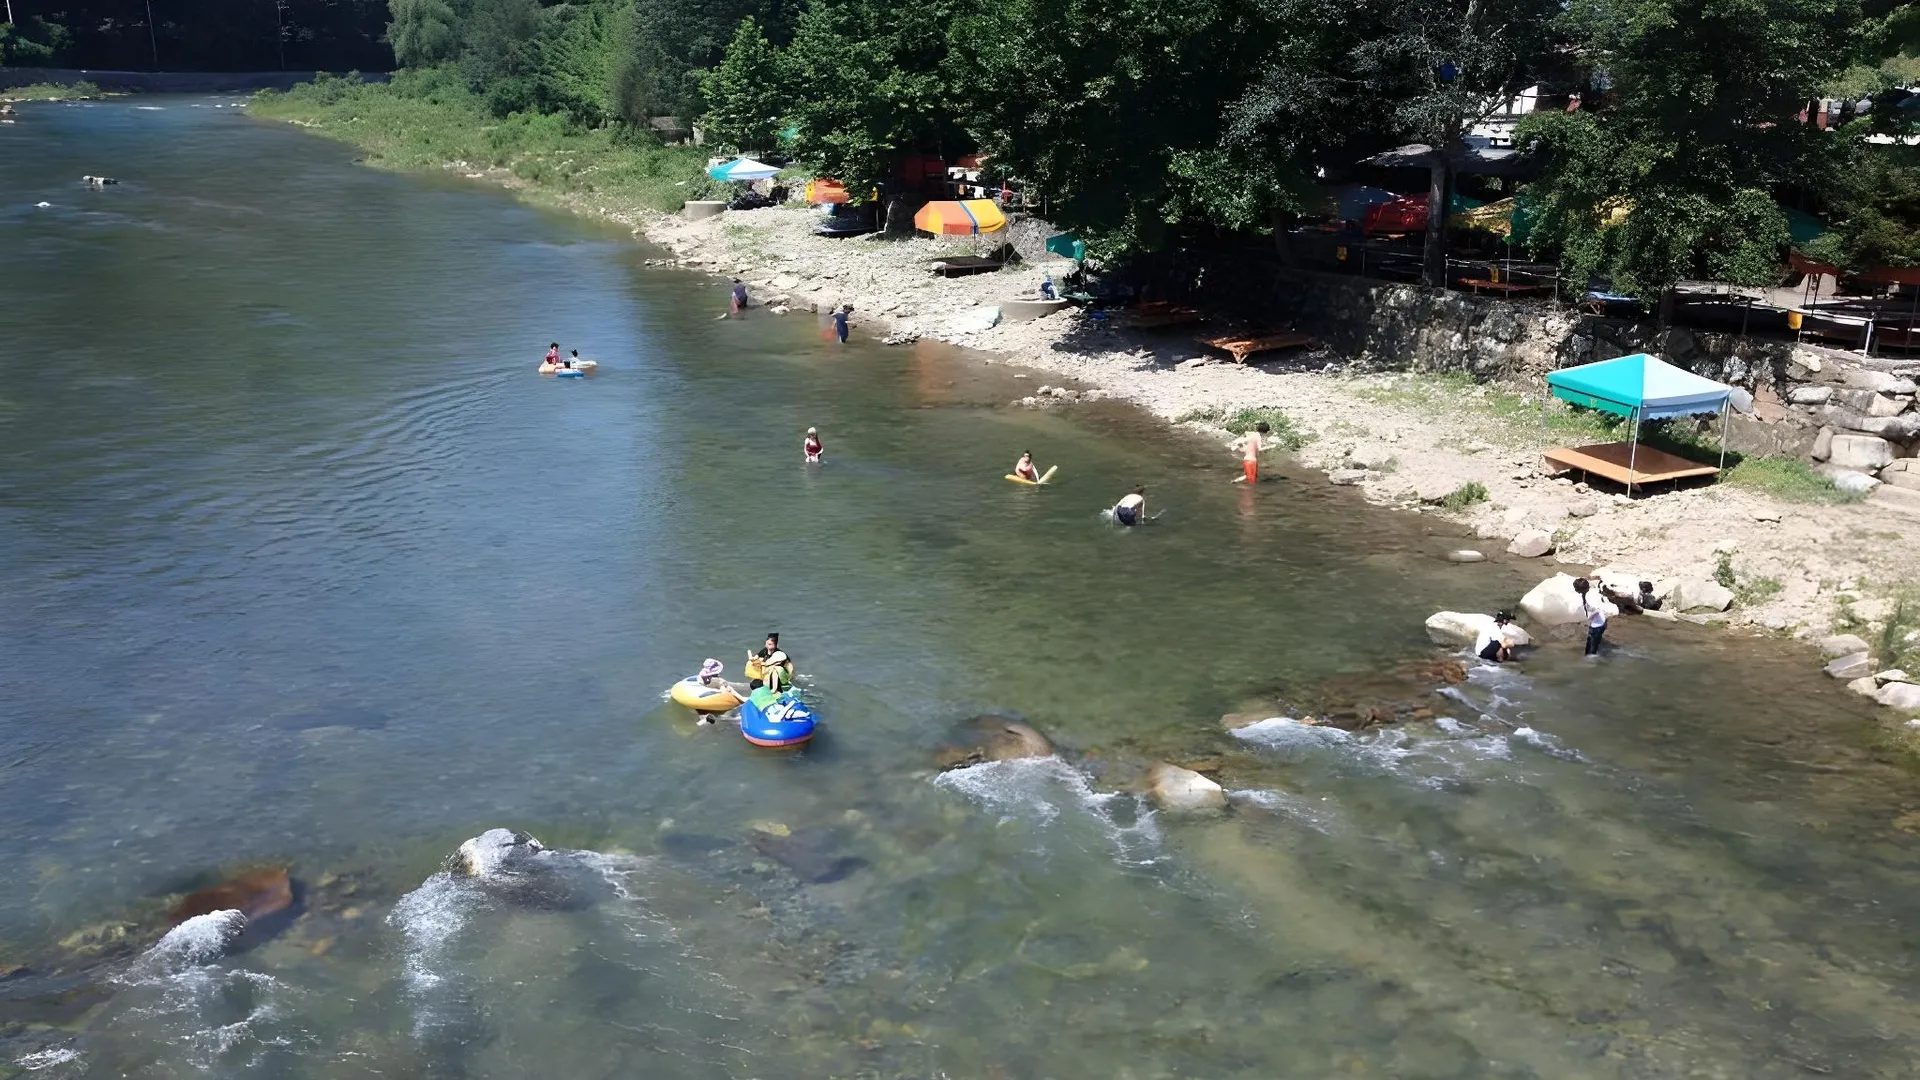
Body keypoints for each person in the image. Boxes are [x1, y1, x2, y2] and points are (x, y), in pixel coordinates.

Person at [1574, 577, 1607, 656]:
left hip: (1597, 625)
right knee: (1592, 645)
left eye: (1576, 589)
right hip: (1600, 622)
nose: (1575, 591)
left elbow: (1595, 609)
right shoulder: (1589, 593)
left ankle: (1591, 663)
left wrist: (1583, 617)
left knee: (1590, 652)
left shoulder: (1590, 598)